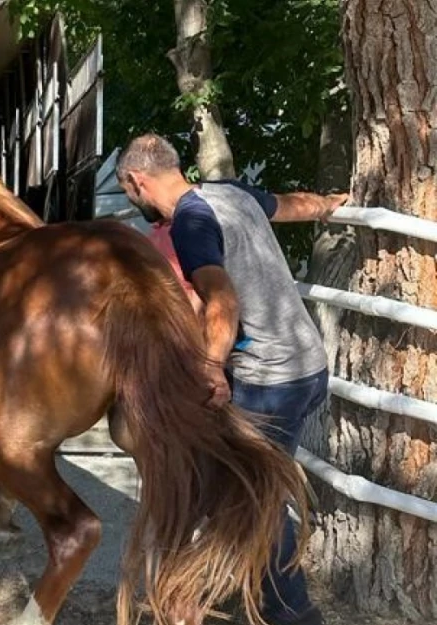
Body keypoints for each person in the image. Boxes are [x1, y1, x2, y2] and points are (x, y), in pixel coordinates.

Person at [115, 133, 348, 625]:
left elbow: (221, 300)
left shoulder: (190, 221)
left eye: (128, 192)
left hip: (270, 379)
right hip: (309, 367)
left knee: (248, 495)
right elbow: (286, 205)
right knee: (240, 486)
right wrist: (327, 204)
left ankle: (290, 614)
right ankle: (196, 597)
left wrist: (210, 367)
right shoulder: (232, 193)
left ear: (137, 181)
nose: (134, 202)